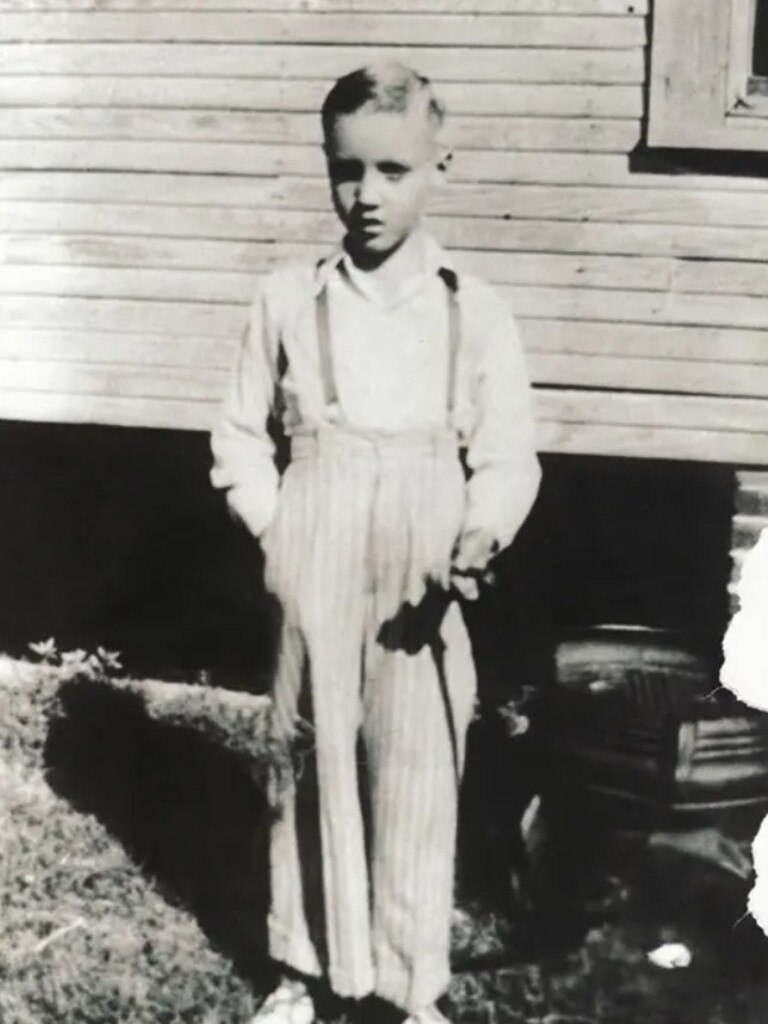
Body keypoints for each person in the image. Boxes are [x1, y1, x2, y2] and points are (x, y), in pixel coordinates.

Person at [210, 61, 541, 1024]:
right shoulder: (286, 300)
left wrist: (483, 530)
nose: (366, 196)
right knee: (308, 757)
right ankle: (302, 971)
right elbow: (238, 435)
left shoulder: (471, 309)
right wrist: (281, 532)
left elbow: (510, 454)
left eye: (393, 170)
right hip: (317, 548)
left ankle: (410, 984)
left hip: (426, 571)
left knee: (418, 773)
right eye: (346, 171)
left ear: (441, 163)